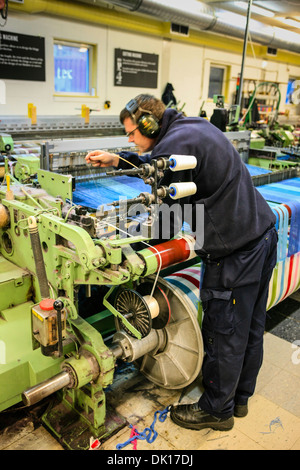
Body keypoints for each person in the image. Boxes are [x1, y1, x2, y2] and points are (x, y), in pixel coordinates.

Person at [85, 94, 278, 431]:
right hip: (261, 235)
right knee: (250, 327)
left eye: (131, 133)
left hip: (232, 254)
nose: (129, 139)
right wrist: (120, 160)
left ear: (149, 124)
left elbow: (165, 224)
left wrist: (119, 233)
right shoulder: (191, 127)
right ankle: (240, 397)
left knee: (223, 332)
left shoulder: (169, 149)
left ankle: (217, 411)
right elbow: (162, 162)